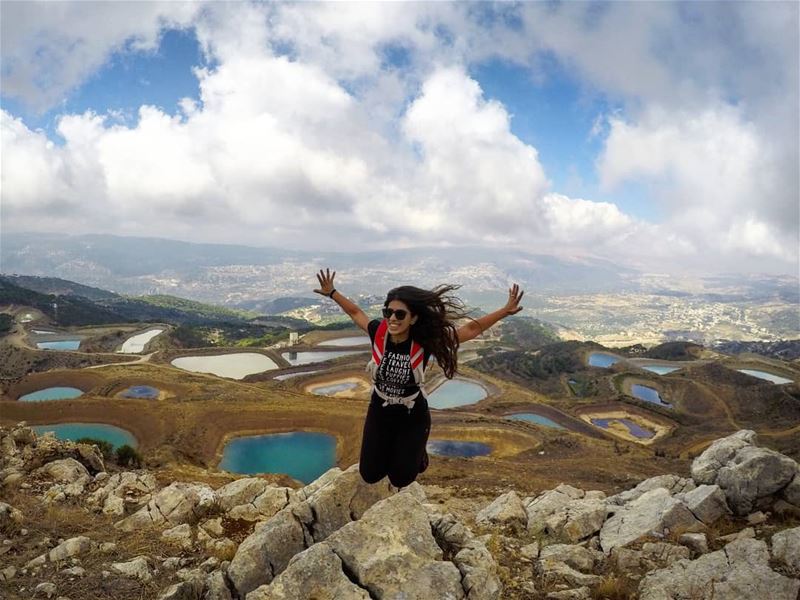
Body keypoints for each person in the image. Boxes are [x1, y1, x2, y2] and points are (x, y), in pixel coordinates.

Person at [314, 268, 524, 487]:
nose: (392, 318)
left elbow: (470, 329)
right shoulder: (379, 332)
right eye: (388, 312)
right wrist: (332, 293)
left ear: (413, 318)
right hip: (379, 410)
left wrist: (504, 311)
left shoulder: (425, 341)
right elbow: (356, 312)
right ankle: (400, 450)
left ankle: (418, 454)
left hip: (412, 414)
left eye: (400, 314)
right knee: (370, 474)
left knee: (401, 478)